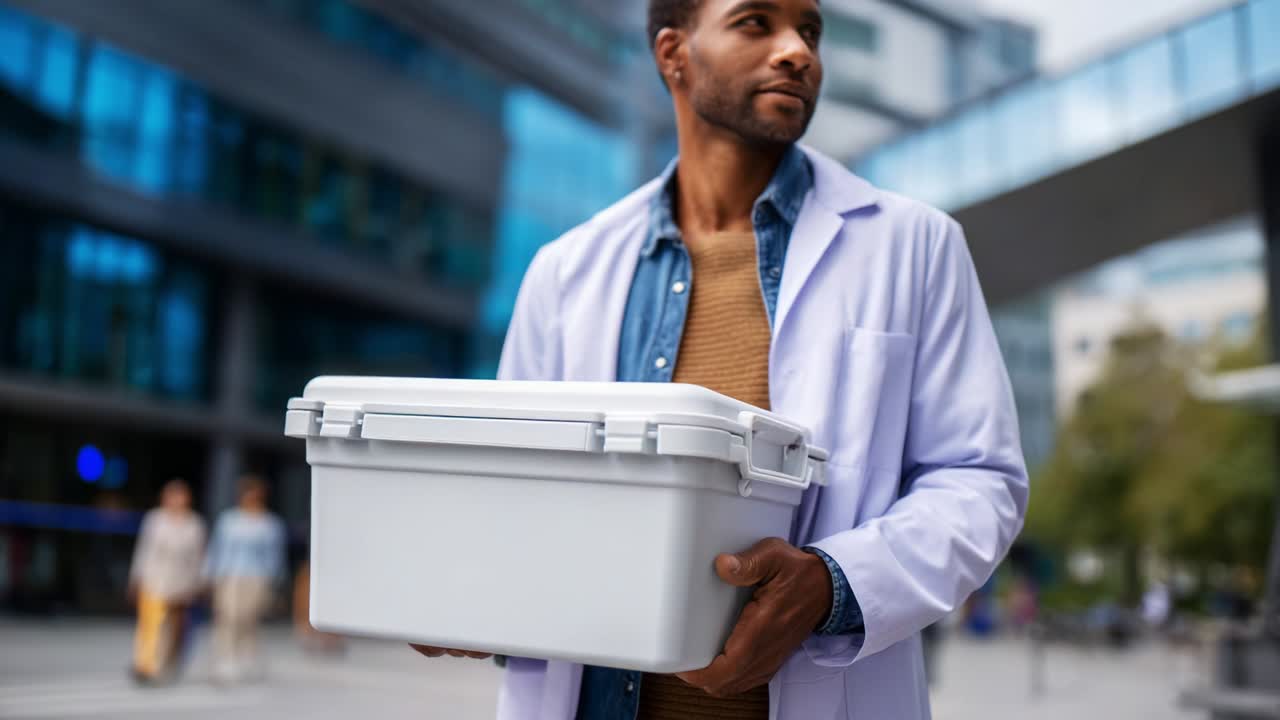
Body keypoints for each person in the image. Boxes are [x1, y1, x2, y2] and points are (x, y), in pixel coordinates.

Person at [413, 0, 1028, 717]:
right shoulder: (565, 270)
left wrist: (832, 584)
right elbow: (514, 490)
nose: (797, 51)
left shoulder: (915, 247)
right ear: (674, 53)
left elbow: (980, 480)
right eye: (755, 23)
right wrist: (464, 591)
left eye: (811, 31)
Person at [204, 474, 287, 684]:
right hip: (231, 575)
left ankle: (247, 656)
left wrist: (274, 581)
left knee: (248, 619)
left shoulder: (269, 524)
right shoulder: (229, 520)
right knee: (228, 617)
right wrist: (210, 575)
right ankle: (226, 659)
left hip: (256, 577)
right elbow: (218, 548)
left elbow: (274, 555)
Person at [128, 478, 206, 684]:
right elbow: (144, 550)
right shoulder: (154, 519)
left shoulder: (194, 524)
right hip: (153, 578)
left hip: (181, 582)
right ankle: (146, 665)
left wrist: (198, 583)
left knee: (175, 628)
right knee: (150, 624)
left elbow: (198, 557)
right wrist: (136, 577)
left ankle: (169, 662)